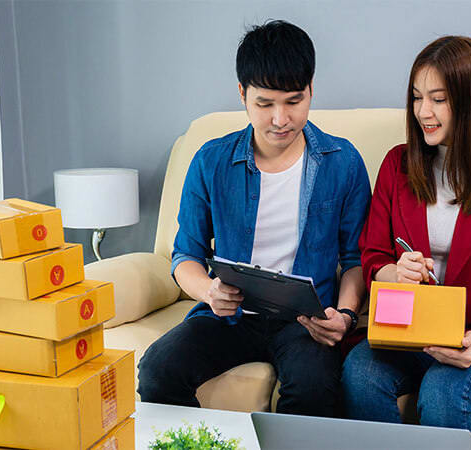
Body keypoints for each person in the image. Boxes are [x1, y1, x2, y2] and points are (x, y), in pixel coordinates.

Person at [137, 20, 371, 418]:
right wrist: (210, 292)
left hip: (305, 322)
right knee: (158, 370)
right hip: (230, 317)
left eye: (294, 101)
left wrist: (345, 318)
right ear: (243, 94)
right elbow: (184, 256)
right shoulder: (211, 161)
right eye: (265, 104)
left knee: (313, 390)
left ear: (311, 90)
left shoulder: (342, 162)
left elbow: (355, 260)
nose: (280, 119)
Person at [342, 36, 471, 434]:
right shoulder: (396, 165)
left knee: (440, 392)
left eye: (438, 99)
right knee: (359, 375)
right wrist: (395, 273)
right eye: (417, 98)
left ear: (470, 102)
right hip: (409, 329)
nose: (423, 112)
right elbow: (373, 256)